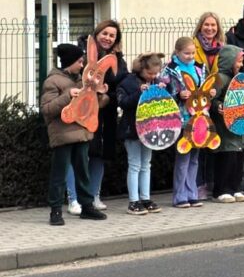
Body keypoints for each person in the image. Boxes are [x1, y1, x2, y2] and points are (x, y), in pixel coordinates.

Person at [41, 43, 107, 225]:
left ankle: (87, 207)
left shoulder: (83, 79)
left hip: (82, 132)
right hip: (63, 134)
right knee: (59, 174)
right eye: (79, 61)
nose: (82, 64)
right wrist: (68, 95)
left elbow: (97, 105)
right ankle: (55, 211)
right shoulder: (52, 81)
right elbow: (47, 109)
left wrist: (100, 92)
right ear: (70, 62)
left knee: (83, 172)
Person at [66, 20, 127, 214]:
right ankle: (74, 198)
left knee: (99, 154)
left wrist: (107, 97)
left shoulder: (118, 59)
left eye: (112, 35)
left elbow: (122, 81)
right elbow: (71, 78)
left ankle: (93, 195)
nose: (108, 38)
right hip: (82, 111)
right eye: (105, 33)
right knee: (78, 154)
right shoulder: (81, 54)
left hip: (106, 113)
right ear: (97, 33)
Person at [161, 37, 211, 208]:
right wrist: (177, 95)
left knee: (195, 158)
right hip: (181, 118)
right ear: (177, 52)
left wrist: (207, 93)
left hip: (198, 117)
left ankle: (192, 193)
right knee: (183, 157)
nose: (190, 56)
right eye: (186, 53)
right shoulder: (169, 70)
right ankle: (180, 195)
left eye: (192, 53)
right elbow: (163, 92)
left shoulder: (199, 68)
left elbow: (203, 88)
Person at [117, 52, 164, 216]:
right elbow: (123, 103)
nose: (153, 77)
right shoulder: (128, 82)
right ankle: (133, 201)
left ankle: (145, 198)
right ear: (141, 69)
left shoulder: (155, 81)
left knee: (146, 165)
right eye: (150, 73)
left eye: (156, 74)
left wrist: (163, 92)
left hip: (149, 130)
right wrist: (139, 93)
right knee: (135, 165)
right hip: (132, 130)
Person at [211, 44, 244, 203]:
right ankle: (221, 189)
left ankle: (236, 187)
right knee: (227, 157)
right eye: (238, 62)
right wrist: (218, 106)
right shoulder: (219, 78)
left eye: (241, 62)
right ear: (229, 61)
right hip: (224, 127)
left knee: (239, 158)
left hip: (239, 125)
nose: (240, 65)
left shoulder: (239, 78)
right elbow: (211, 98)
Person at [193, 12, 225, 199]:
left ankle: (211, 182)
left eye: (213, 25)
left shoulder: (222, 48)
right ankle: (198, 185)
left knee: (212, 142)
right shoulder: (194, 45)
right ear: (200, 26)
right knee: (198, 142)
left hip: (215, 98)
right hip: (197, 101)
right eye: (206, 25)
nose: (210, 29)